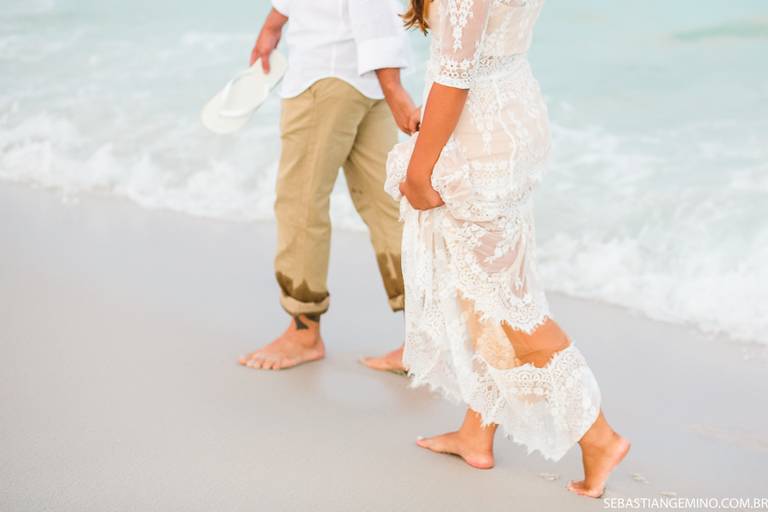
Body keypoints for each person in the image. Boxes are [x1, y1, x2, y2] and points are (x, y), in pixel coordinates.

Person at [388, 0, 630, 498]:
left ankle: (599, 436)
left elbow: (455, 77)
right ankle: (478, 432)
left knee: (505, 303)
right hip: (512, 116)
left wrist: (420, 168)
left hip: (481, 133)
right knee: (488, 295)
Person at [238, 0, 419, 371]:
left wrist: (394, 85)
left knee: (300, 204)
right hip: (367, 82)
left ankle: (303, 332)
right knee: (389, 209)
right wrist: (275, 23)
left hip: (327, 75)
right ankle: (423, 339)